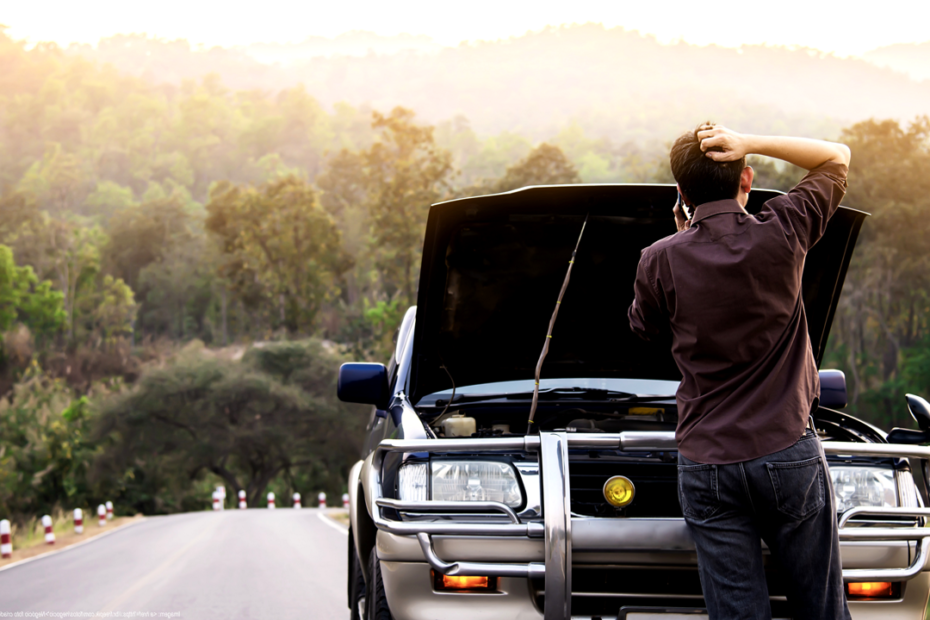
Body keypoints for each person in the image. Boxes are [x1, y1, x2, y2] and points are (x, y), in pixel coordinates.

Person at [628, 123, 852, 620]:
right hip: (788, 452)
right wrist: (750, 140)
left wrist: (683, 242)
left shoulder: (658, 258)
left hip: (707, 463)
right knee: (821, 610)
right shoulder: (785, 229)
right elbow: (836, 157)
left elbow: (645, 329)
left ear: (681, 194)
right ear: (746, 178)